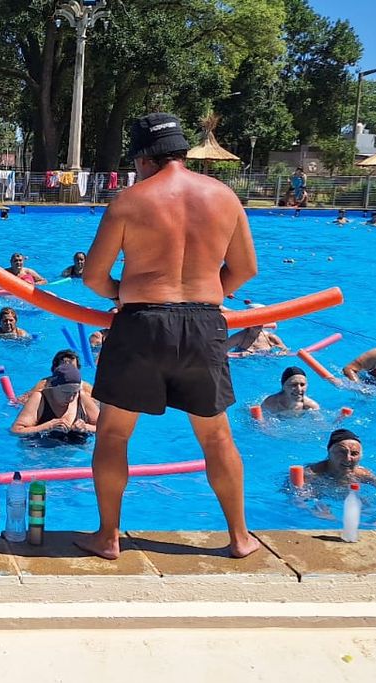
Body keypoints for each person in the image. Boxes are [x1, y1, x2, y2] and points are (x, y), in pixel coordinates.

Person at [75, 113, 259, 560]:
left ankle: (108, 537)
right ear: (183, 151)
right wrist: (209, 292)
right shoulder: (224, 197)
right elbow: (246, 270)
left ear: (142, 157)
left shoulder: (129, 201)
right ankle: (239, 538)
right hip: (204, 324)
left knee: (115, 435)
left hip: (142, 322)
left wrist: (125, 294)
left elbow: (93, 276)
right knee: (217, 438)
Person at [300, 429, 376, 503]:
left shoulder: (363, 474)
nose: (348, 458)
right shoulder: (311, 473)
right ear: (329, 453)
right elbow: (298, 499)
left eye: (354, 454)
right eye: (342, 452)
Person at [10, 362, 99, 442]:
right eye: (66, 392)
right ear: (54, 388)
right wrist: (47, 427)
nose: (71, 398)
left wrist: (85, 427)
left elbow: (105, 427)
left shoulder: (81, 397)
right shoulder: (40, 398)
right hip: (41, 450)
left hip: (75, 453)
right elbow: (16, 431)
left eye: (74, 393)